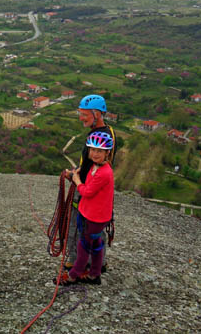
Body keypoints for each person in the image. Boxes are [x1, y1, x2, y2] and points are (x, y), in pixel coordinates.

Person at [54, 130, 115, 285]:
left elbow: (86, 191)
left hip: (94, 217)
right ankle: (94, 274)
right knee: (95, 245)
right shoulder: (97, 167)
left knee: (83, 247)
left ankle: (73, 275)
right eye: (93, 149)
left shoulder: (104, 173)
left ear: (107, 153)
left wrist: (76, 180)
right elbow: (90, 179)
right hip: (93, 214)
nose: (95, 153)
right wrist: (78, 173)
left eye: (100, 151)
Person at [64, 94, 116, 272]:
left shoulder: (99, 136)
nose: (81, 118)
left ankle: (75, 261)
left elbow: (94, 164)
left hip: (89, 186)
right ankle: (97, 263)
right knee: (93, 226)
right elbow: (91, 164)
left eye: (84, 114)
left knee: (78, 223)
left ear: (97, 114)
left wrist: (74, 178)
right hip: (94, 185)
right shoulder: (107, 132)